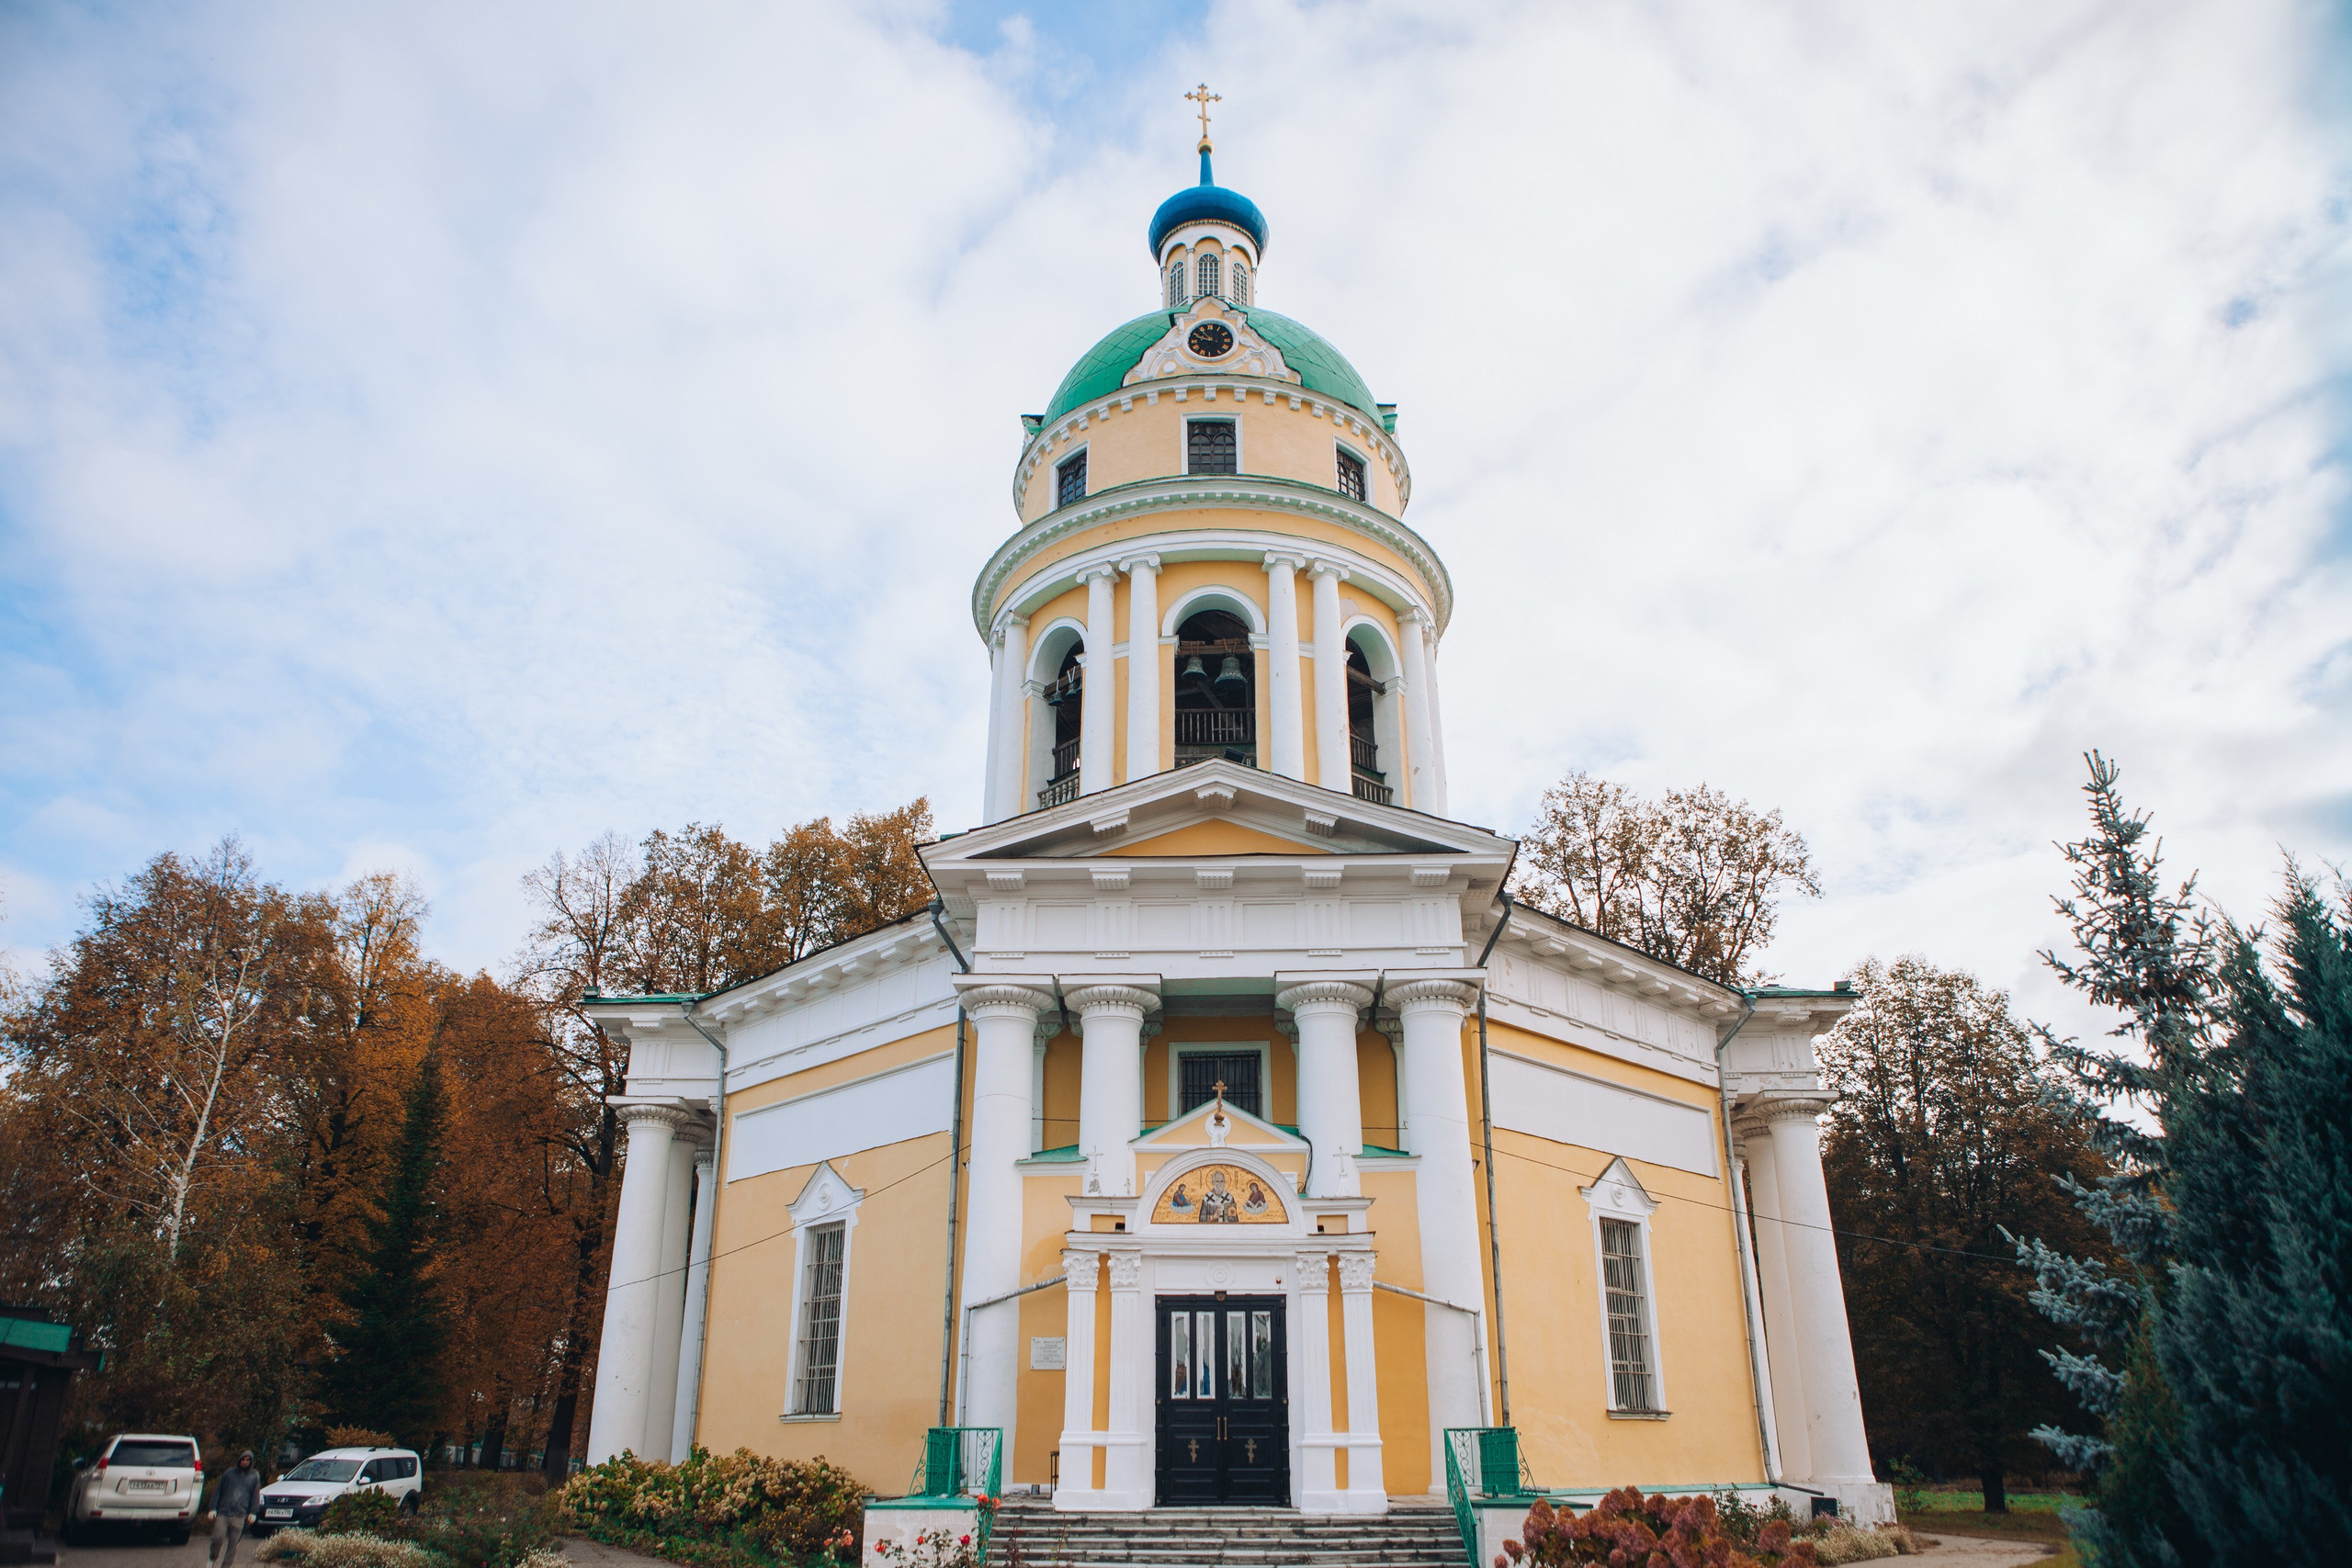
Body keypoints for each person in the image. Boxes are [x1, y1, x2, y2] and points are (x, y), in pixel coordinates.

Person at [209, 1450, 263, 1567]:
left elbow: (255, 1495)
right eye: (243, 1460)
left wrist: (253, 1512)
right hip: (224, 1513)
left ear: (251, 1462)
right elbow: (219, 1490)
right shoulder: (229, 1474)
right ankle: (212, 1558)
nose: (245, 1462)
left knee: (233, 1546)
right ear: (240, 1460)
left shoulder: (254, 1476)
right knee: (218, 1538)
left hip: (240, 1515)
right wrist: (213, 1508)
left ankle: (226, 1566)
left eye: (248, 1460)